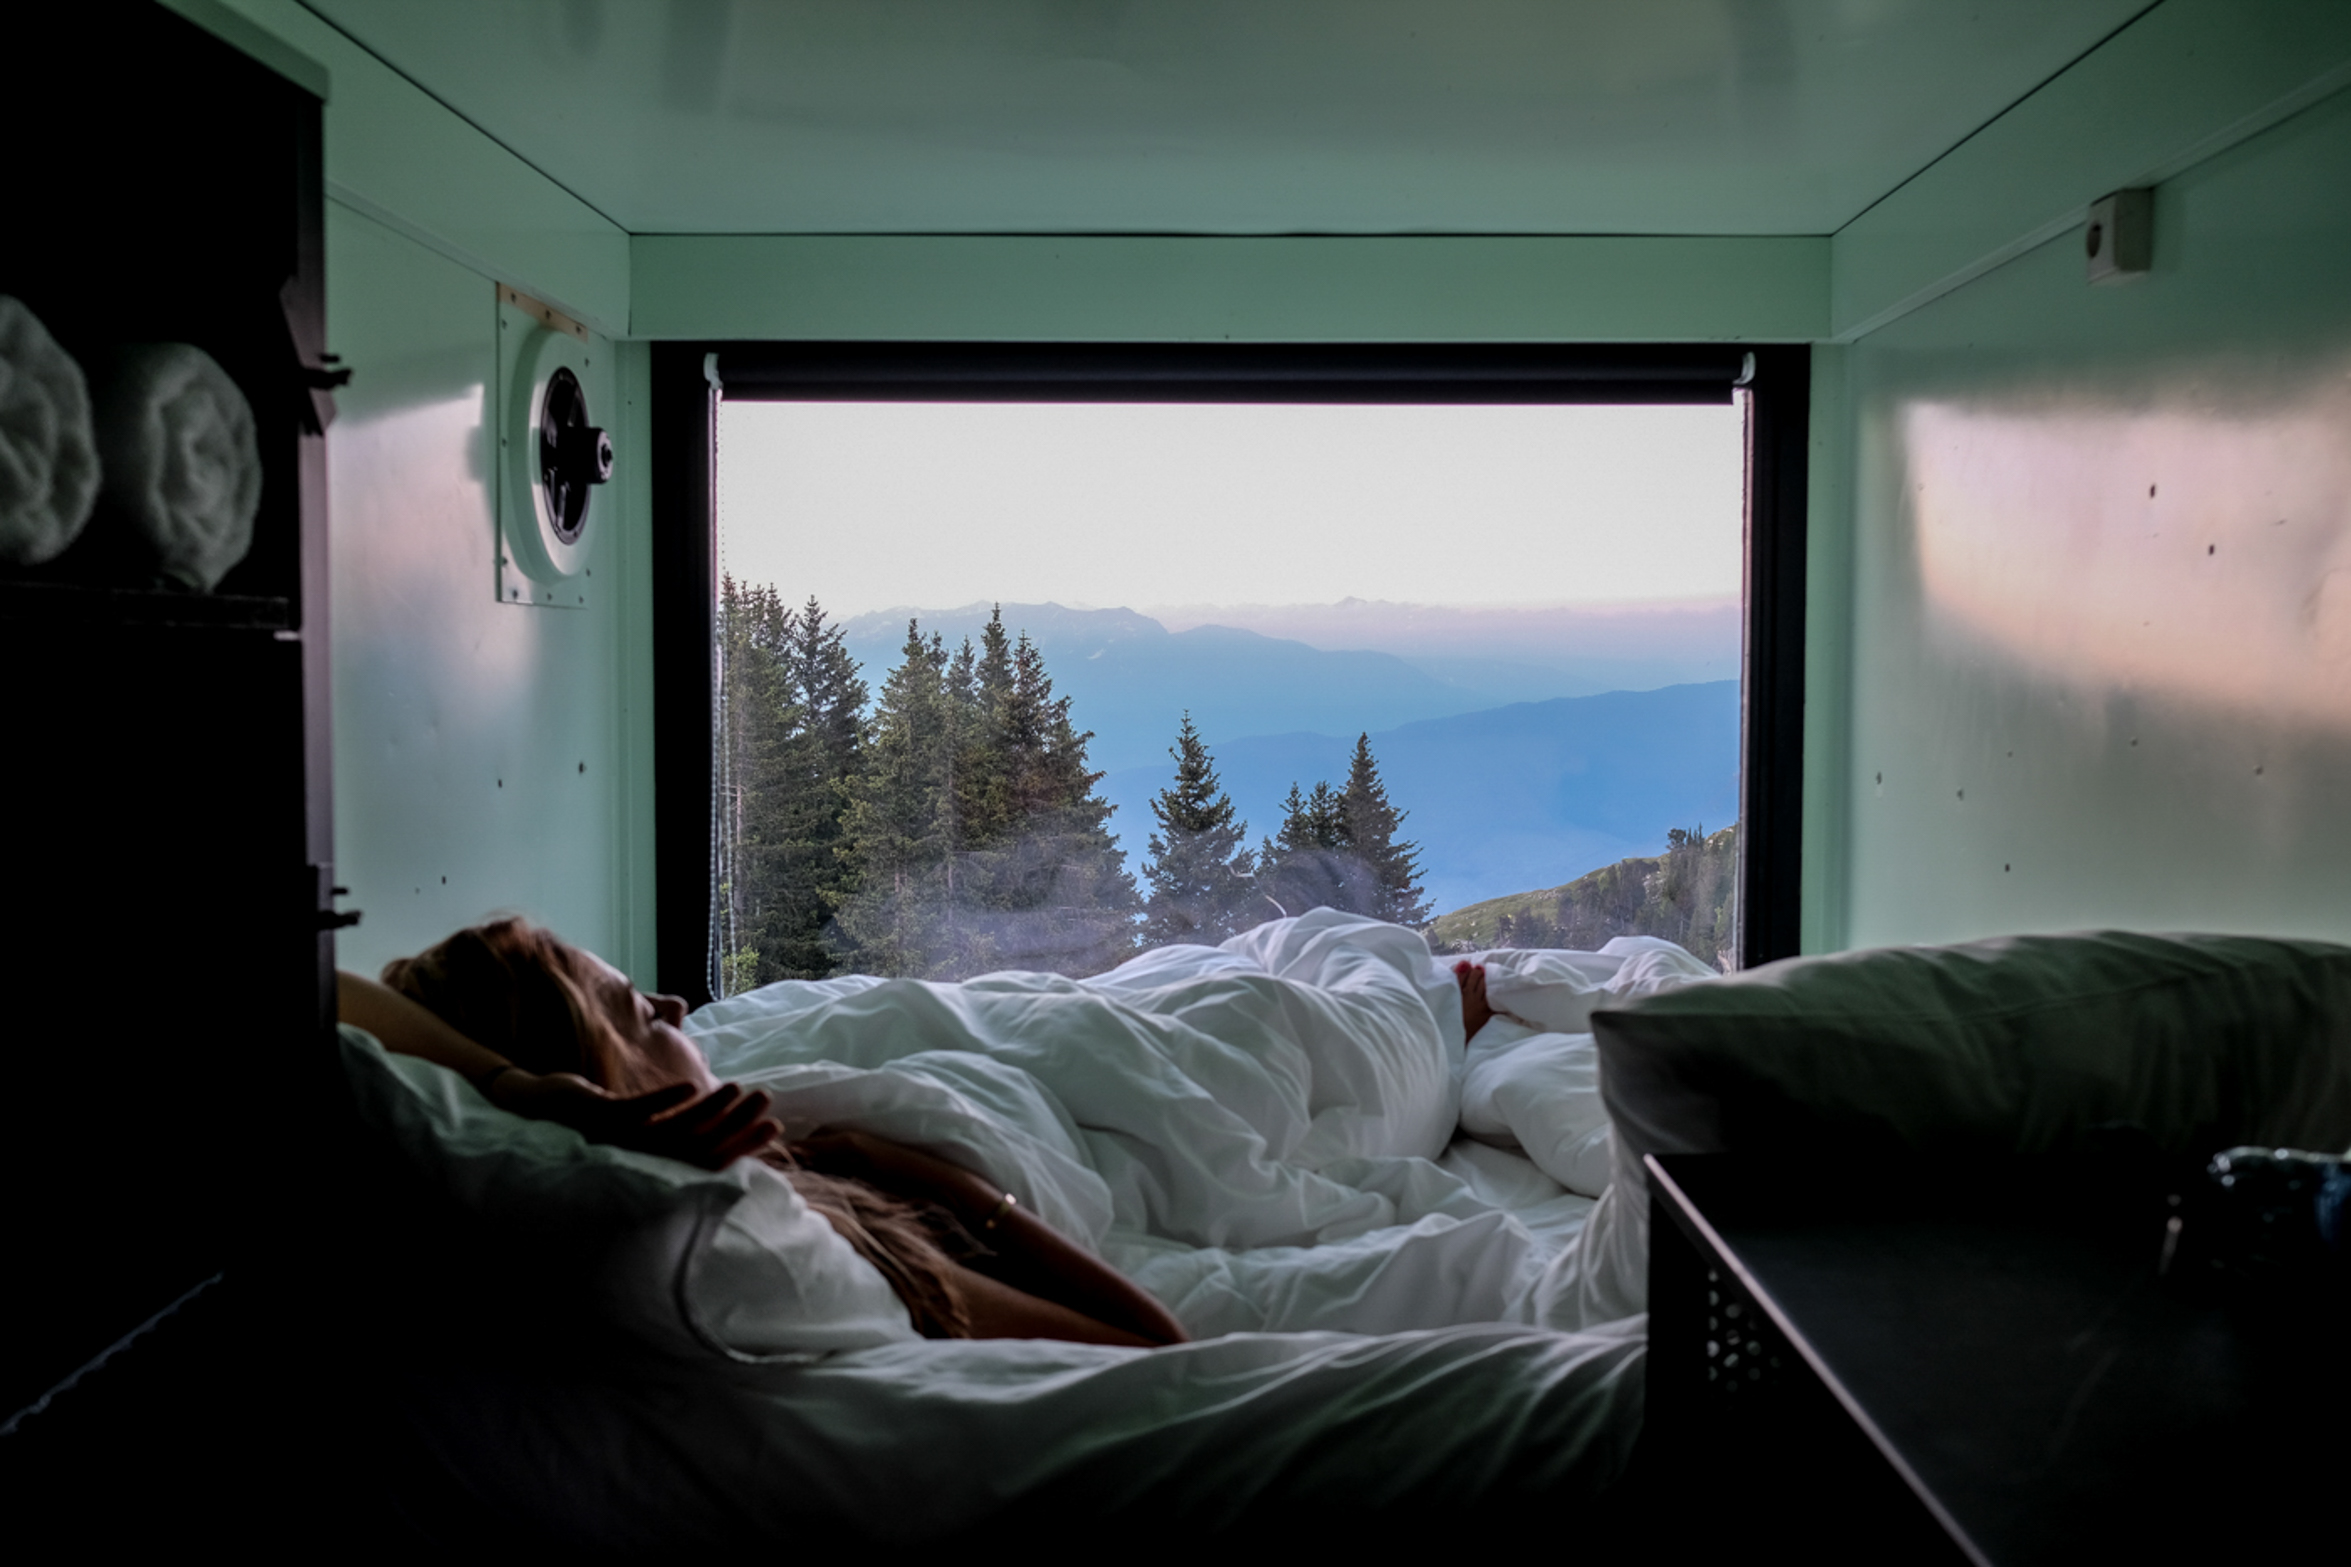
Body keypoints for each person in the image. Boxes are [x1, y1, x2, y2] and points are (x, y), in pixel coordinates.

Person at [339, 918, 1190, 1348]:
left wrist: (517, 1088)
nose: (677, 1007)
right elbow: (1154, 1343)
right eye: (640, 1012)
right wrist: (936, 1178)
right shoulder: (805, 1231)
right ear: (618, 1080)